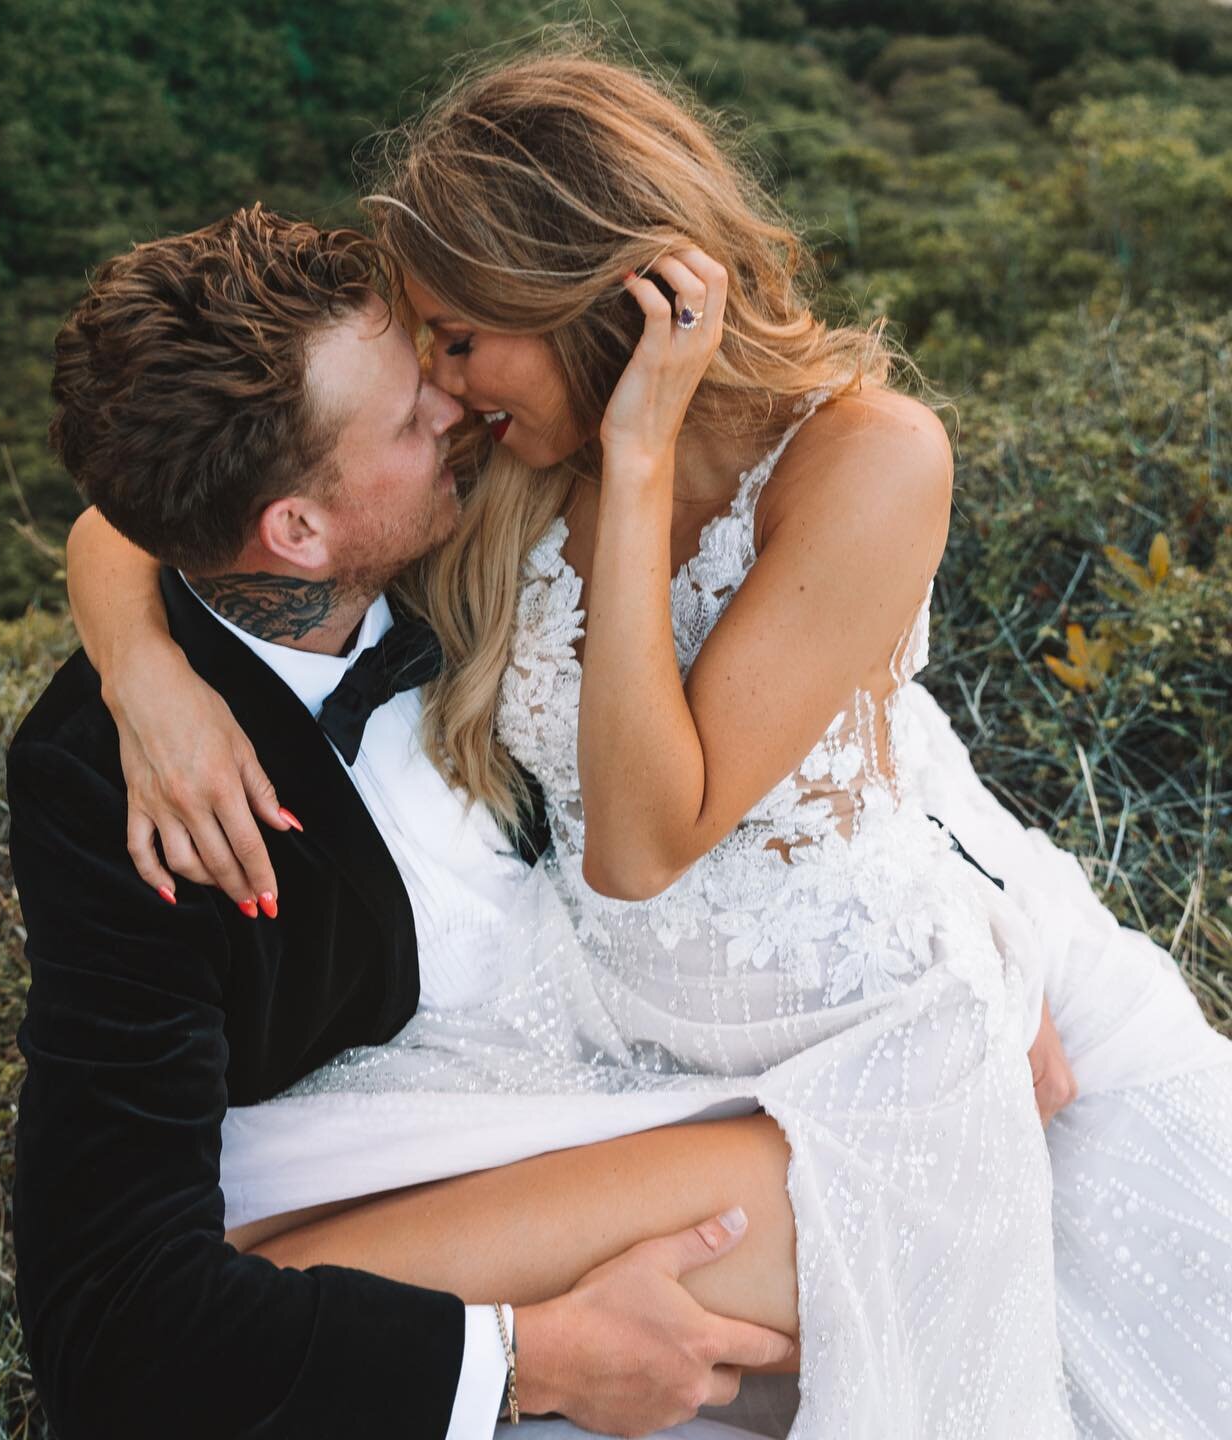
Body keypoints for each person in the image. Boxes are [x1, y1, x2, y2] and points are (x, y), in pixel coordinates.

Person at [70, 48, 1232, 1439]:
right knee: (240, 1276)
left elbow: (647, 838)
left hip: (857, 1036)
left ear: (596, 305)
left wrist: (634, 464)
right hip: (633, 1033)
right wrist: (148, 677)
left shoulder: (867, 457)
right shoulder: (504, 459)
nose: (440, 387)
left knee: (284, 1296)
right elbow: (171, 498)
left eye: (457, 338)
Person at [9, 206, 803, 1440]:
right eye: (406, 409)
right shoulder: (111, 787)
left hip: (643, 1083)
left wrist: (966, 938)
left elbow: (812, 719)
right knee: (843, 1196)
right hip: (393, 1195)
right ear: (298, 531)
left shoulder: (479, 524)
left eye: (431, 353)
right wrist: (522, 1361)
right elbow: (108, 1325)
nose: (457, 401)